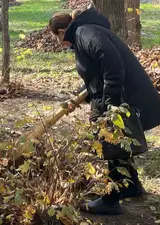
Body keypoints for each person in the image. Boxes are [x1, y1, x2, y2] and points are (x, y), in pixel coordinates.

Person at [48, 7, 160, 215]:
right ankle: (130, 185)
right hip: (124, 95)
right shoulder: (87, 31)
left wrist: (110, 105)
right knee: (118, 143)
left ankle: (111, 200)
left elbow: (113, 65)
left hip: (125, 96)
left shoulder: (85, 33)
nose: (59, 44)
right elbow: (97, 75)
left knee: (113, 143)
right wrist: (82, 96)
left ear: (62, 33)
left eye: (56, 38)